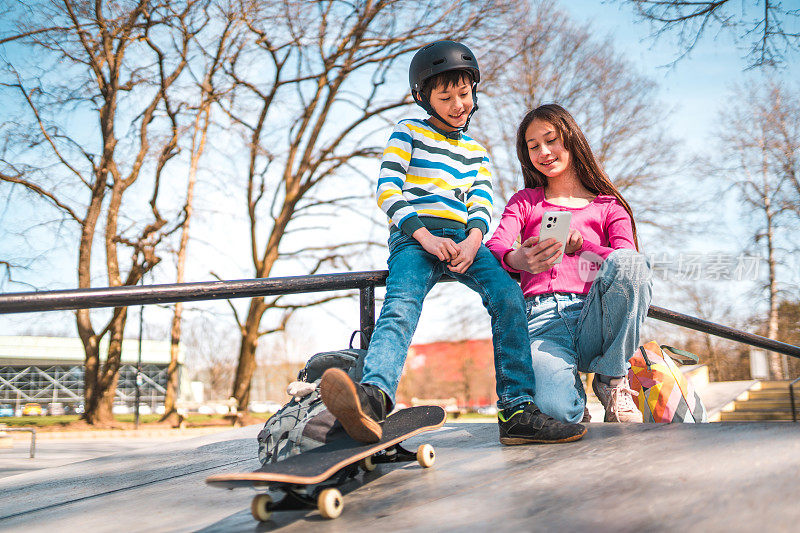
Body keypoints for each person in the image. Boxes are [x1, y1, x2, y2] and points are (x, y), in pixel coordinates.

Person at [319, 42, 586, 445]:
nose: (458, 104)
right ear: (424, 98)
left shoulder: (475, 151)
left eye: (464, 94)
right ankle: (374, 396)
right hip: (415, 236)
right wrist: (423, 236)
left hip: (466, 241)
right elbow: (387, 190)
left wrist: (473, 240)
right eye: (446, 97)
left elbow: (481, 200)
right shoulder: (408, 132)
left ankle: (516, 407)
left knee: (508, 297)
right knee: (401, 305)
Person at [486, 104, 653, 424]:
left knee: (632, 265)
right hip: (542, 320)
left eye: (550, 140)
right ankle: (574, 401)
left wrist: (583, 247)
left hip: (598, 317)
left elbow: (629, 264)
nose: (543, 152)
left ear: (572, 140)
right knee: (556, 414)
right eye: (533, 147)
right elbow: (495, 245)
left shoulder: (609, 206)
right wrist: (516, 258)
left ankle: (612, 378)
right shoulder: (525, 201)